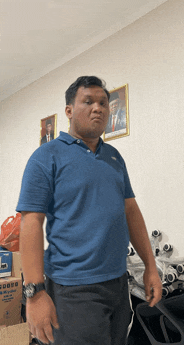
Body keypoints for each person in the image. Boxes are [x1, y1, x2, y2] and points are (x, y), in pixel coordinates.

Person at [17, 76, 162, 345]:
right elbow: (31, 223)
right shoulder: (46, 156)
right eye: (88, 101)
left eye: (103, 103)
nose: (98, 108)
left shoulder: (114, 157)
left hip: (118, 283)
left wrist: (150, 267)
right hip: (73, 289)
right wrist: (34, 293)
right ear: (69, 111)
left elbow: (130, 212)